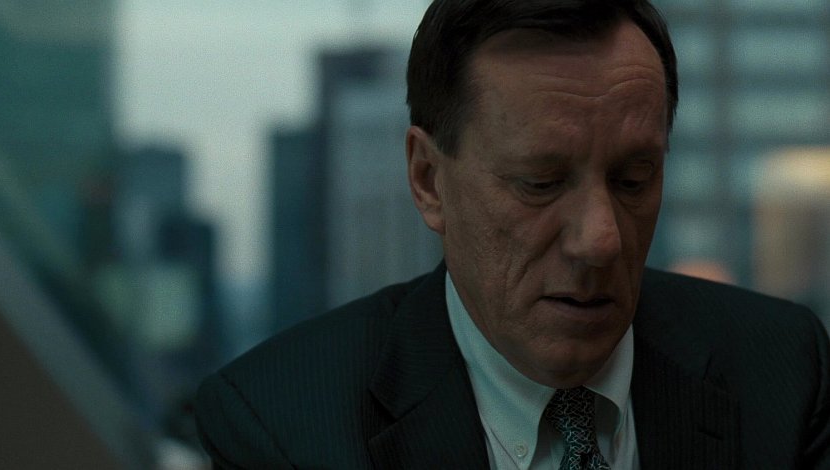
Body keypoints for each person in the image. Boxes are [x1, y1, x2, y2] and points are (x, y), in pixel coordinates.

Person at [194, 0, 830, 468]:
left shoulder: (782, 373)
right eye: (540, 183)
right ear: (428, 180)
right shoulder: (284, 425)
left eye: (634, 180)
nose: (601, 240)